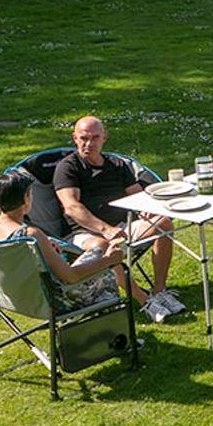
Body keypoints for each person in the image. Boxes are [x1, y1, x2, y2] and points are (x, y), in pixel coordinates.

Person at [53, 115, 182, 323]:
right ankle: (144, 301)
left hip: (122, 227)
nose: (89, 144)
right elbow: (71, 207)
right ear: (74, 138)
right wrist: (106, 230)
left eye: (95, 138)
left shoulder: (117, 164)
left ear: (105, 138)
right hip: (83, 234)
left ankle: (159, 291)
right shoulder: (68, 167)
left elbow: (136, 196)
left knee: (163, 223)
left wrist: (144, 209)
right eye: (84, 138)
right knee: (105, 245)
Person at [0, 170, 127, 313]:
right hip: (53, 302)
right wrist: (109, 260)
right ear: (26, 198)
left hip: (14, 299)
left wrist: (45, 247)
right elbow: (70, 277)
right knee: (104, 267)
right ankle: (112, 333)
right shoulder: (31, 235)